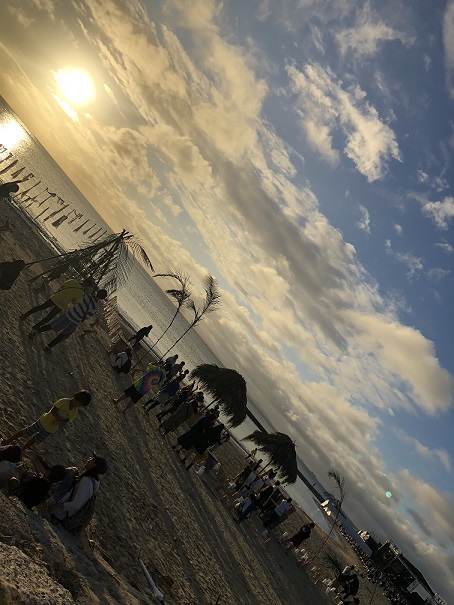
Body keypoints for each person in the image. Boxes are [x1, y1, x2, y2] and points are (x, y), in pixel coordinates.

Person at [2, 391, 91, 450]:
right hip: (44, 421)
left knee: (35, 440)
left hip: (51, 429)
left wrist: (61, 423)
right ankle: (9, 440)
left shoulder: (74, 411)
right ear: (77, 399)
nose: (79, 406)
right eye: (80, 403)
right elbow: (53, 410)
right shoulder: (64, 401)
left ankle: (23, 449)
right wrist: (58, 419)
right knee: (27, 431)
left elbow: (67, 420)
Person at [32, 289, 108, 351]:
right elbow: (88, 316)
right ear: (102, 298)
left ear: (97, 292)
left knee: (53, 325)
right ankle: (48, 347)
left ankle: (36, 332)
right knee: (63, 335)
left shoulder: (87, 296)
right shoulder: (95, 307)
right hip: (76, 321)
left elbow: (78, 301)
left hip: (70, 314)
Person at [47, 454, 107, 524]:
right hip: (68, 512)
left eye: (92, 459)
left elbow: (76, 505)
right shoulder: (95, 481)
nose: (89, 459)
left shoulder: (86, 481)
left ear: (94, 465)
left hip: (62, 513)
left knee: (70, 472)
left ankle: (46, 482)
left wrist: (55, 506)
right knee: (74, 470)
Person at [19, 278, 87, 329]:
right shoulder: (81, 293)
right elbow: (73, 302)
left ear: (83, 280)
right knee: (49, 317)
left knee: (41, 307)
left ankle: (26, 314)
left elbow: (62, 287)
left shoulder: (72, 281)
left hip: (56, 297)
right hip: (62, 304)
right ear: (87, 287)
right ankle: (36, 326)